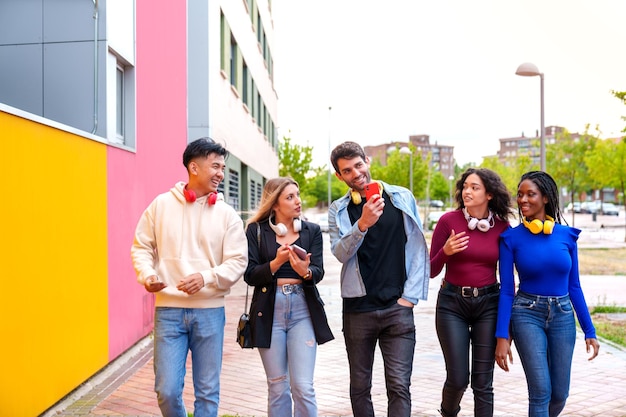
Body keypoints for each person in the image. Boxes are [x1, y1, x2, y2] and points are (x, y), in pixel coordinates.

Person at [130, 138, 248, 417]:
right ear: (193, 167)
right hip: (168, 310)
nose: (221, 173)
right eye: (215, 166)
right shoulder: (160, 205)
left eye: (223, 167)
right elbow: (141, 247)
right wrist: (148, 275)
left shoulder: (227, 214)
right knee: (167, 390)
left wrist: (206, 277)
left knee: (207, 393)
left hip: (210, 312)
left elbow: (238, 261)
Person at [328, 141, 430, 417]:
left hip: (398, 309)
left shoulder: (401, 197)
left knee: (399, 386)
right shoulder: (338, 210)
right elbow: (339, 253)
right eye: (347, 170)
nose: (356, 173)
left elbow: (419, 247)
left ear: (367, 162)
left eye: (358, 165)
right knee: (360, 386)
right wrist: (362, 224)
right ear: (340, 177)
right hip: (358, 310)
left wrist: (409, 298)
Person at [495, 170, 600, 417]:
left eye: (530, 194)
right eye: (520, 195)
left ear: (545, 198)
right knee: (540, 391)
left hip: (563, 316)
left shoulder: (567, 237)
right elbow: (507, 290)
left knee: (559, 393)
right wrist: (502, 335)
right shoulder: (510, 239)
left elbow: (574, 286)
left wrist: (590, 330)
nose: (523, 200)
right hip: (526, 315)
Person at [244, 177, 334, 417]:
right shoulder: (256, 231)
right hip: (269, 310)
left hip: (302, 309)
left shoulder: (311, 231)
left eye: (298, 195)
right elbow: (250, 275)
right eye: (290, 197)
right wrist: (277, 262)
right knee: (277, 385)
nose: (298, 201)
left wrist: (305, 271)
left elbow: (318, 271)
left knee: (303, 386)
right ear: (275, 204)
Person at [429, 168, 511, 417]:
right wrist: (446, 251)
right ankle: (448, 412)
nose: (467, 191)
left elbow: (508, 282)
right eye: (465, 186)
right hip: (452, 304)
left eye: (475, 187)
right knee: (457, 379)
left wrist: (504, 332)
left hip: (489, 305)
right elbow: (430, 270)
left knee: (483, 384)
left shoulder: (502, 228)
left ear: (489, 194)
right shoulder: (448, 221)